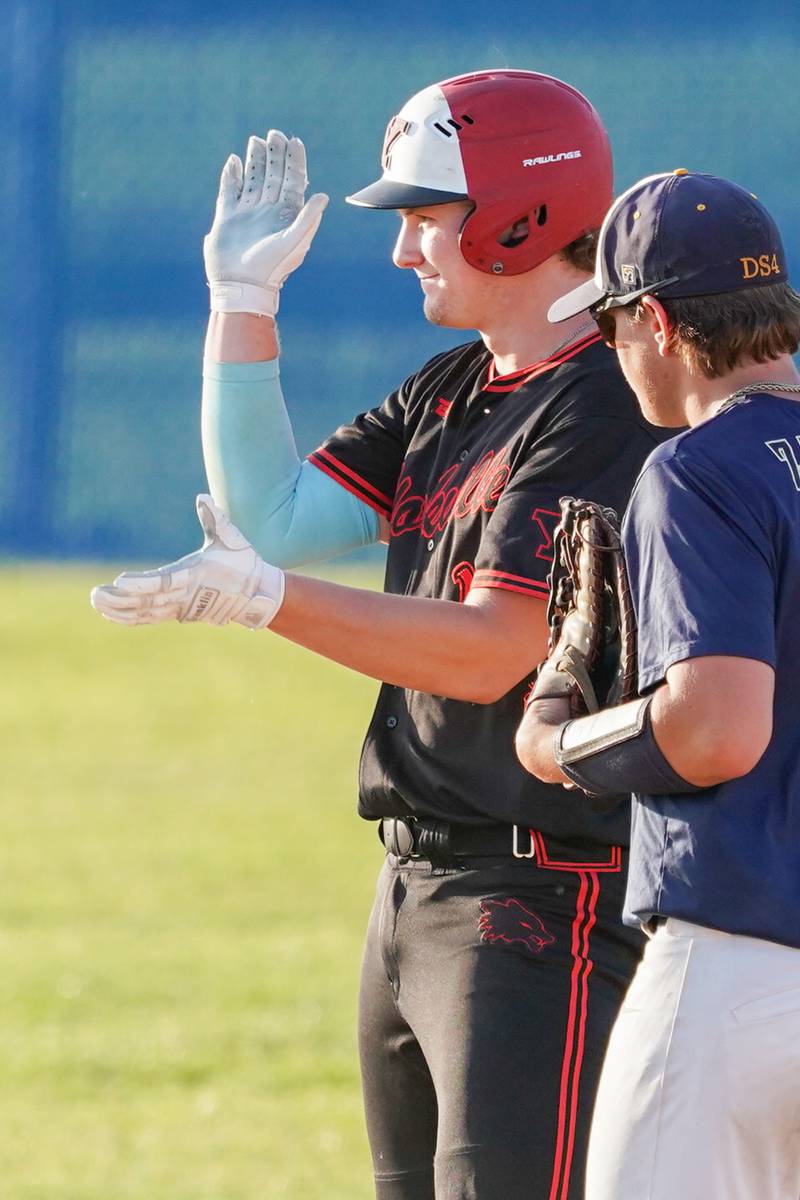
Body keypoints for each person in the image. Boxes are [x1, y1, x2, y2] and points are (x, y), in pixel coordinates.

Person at [92, 71, 669, 1200]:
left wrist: (264, 603)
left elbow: (490, 648)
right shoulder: (460, 383)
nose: (406, 248)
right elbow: (276, 519)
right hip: (414, 892)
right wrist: (240, 304)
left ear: (520, 213)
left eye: (424, 216)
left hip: (536, 897)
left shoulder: (601, 399)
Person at [515, 169, 800, 1200]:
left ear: (656, 320)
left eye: (607, 324)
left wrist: (554, 736)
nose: (609, 349)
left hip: (734, 968)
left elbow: (716, 730)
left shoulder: (697, 470)